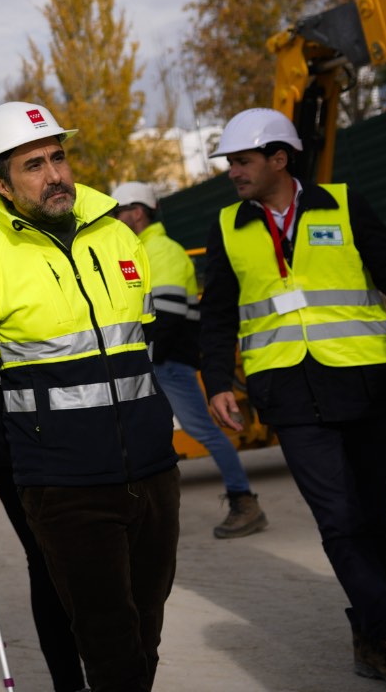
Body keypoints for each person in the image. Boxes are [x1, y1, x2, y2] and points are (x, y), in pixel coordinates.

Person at [200, 107, 386, 692]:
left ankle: (369, 630)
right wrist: (217, 381)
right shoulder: (228, 226)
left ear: (279, 158)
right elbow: (217, 314)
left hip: (361, 383)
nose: (233, 172)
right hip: (287, 393)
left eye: (242, 161)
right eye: (229, 163)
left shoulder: (343, 204)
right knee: (338, 521)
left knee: (373, 520)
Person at [0, 101, 179, 692]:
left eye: (58, 157)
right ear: (0, 187)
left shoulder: (119, 237)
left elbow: (146, 341)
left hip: (153, 468)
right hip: (64, 482)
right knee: (108, 643)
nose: (55, 174)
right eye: (33, 165)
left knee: (147, 632)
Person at [0, 139, 86, 692]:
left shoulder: (38, 241)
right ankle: (69, 680)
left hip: (67, 419)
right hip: (3, 435)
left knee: (84, 555)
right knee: (46, 556)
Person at [108, 180, 267, 540]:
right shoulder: (142, 250)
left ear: (137, 213)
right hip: (160, 361)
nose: (115, 220)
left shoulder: (161, 250)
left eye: (119, 212)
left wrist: (142, 361)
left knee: (203, 430)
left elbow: (166, 315)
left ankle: (244, 500)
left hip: (167, 363)